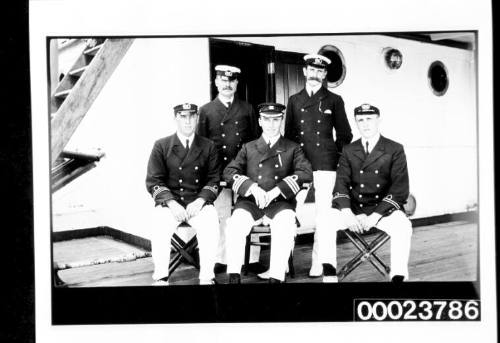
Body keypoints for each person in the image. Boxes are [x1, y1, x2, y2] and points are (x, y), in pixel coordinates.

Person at [316, 103, 412, 283]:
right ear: (356, 123)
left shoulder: (394, 149)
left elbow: (400, 189)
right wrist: (347, 213)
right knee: (324, 219)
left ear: (379, 120)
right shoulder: (349, 150)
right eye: (361, 120)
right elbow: (341, 184)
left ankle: (398, 276)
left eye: (370, 119)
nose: (365, 124)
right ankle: (329, 273)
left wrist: (375, 216)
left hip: (383, 211)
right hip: (353, 209)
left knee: (403, 227)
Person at [223, 103, 313, 283]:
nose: (271, 124)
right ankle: (234, 276)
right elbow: (229, 172)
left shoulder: (292, 147)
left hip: (279, 203)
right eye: (267, 119)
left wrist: (277, 191)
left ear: (281, 121)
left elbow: (305, 172)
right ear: (260, 121)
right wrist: (252, 188)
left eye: (276, 119)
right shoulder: (248, 147)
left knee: (286, 224)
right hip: (250, 203)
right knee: (235, 224)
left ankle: (276, 277)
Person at [284, 53, 353, 277]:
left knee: (324, 216)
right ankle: (283, 262)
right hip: (299, 165)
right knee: (288, 211)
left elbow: (345, 134)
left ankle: (319, 263)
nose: (315, 75)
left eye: (320, 71)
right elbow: (289, 136)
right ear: (305, 72)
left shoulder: (334, 100)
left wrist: (335, 157)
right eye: (311, 70)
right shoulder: (294, 100)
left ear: (324, 75)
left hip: (326, 164)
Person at [146, 103, 220, 285]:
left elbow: (214, 180)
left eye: (191, 117)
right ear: (175, 119)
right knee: (159, 227)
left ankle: (206, 277)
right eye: (183, 117)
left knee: (211, 224)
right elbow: (154, 180)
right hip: (171, 204)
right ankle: (161, 276)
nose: (188, 121)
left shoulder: (208, 146)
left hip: (198, 203)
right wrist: (171, 203)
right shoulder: (162, 145)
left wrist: (201, 201)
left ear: (197, 118)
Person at [197, 65, 260, 270]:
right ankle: (222, 259)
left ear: (236, 84)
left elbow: (254, 142)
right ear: (216, 82)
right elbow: (202, 145)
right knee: (222, 214)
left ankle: (250, 259)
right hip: (218, 169)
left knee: (247, 211)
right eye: (223, 80)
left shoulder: (247, 108)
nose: (227, 85)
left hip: (243, 170)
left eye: (231, 81)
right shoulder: (206, 110)